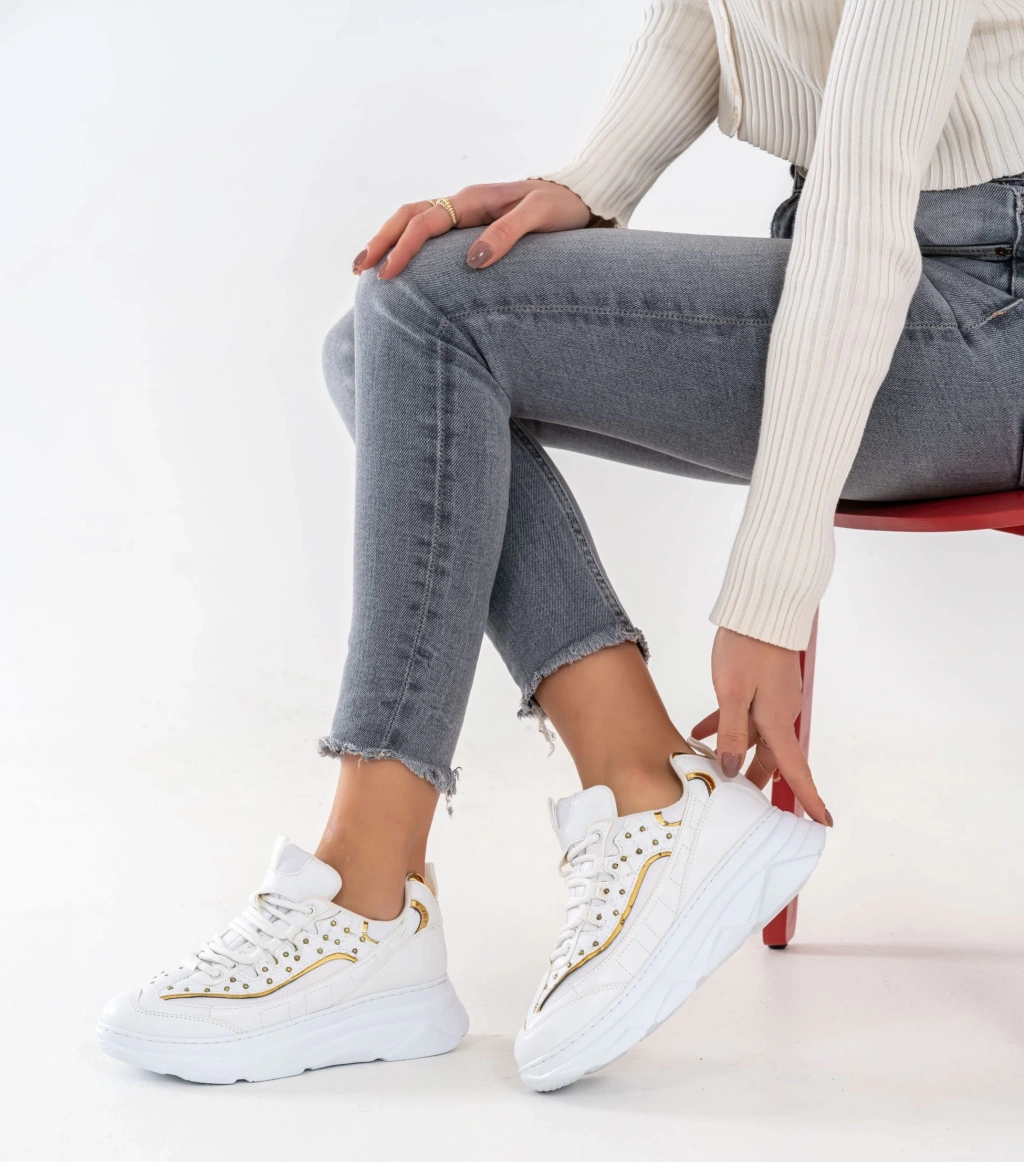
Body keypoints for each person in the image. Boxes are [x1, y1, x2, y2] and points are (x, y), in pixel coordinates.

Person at [99, 0, 1024, 1090]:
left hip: (980, 314)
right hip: (874, 258)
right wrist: (595, 179)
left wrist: (768, 596)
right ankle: (641, 786)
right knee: (381, 344)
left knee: (426, 316)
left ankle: (370, 896)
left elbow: (862, 220)